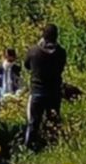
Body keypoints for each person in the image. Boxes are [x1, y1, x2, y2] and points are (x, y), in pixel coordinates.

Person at [24, 23, 68, 151]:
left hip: (37, 91)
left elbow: (27, 65)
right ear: (56, 36)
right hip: (54, 91)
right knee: (53, 121)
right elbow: (61, 67)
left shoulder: (33, 51)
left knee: (33, 122)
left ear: (43, 35)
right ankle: (53, 147)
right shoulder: (61, 52)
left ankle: (29, 149)